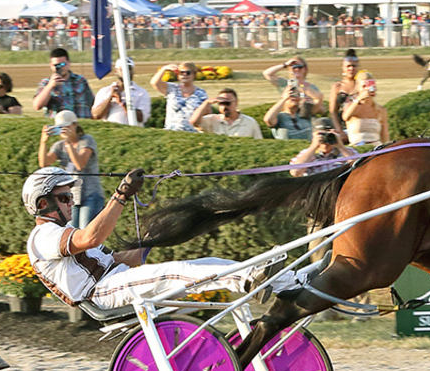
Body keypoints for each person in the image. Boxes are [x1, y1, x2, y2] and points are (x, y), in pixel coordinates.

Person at [24, 167, 317, 310]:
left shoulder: (61, 233)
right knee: (178, 272)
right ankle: (249, 279)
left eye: (70, 196)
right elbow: (91, 237)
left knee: (204, 262)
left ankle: (286, 281)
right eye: (64, 198)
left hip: (116, 280)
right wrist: (121, 195)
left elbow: (126, 258)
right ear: (42, 205)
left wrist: (153, 238)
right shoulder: (43, 236)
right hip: (100, 292)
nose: (70, 203)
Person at [37, 110, 104, 229]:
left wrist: (68, 143)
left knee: (85, 231)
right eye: (60, 127)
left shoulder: (87, 140)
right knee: (71, 231)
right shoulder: (59, 145)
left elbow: (80, 164)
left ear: (75, 125)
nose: (63, 130)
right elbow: (44, 163)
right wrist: (43, 142)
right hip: (72, 196)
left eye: (66, 126)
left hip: (91, 194)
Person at [32, 48, 94, 118]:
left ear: (69, 63)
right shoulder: (46, 83)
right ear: (51, 65)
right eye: (56, 65)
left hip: (79, 123)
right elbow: (37, 106)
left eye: (63, 64)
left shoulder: (80, 81)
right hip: (58, 124)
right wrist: (50, 86)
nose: (60, 68)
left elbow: (92, 103)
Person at [92, 58, 151, 127]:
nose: (127, 72)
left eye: (129, 69)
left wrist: (122, 103)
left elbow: (141, 118)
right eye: (122, 69)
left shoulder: (141, 93)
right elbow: (96, 115)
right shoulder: (105, 91)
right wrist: (110, 97)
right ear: (116, 71)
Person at [150, 61, 208, 132]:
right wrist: (164, 69)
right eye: (181, 73)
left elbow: (206, 113)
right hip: (172, 130)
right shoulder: (172, 88)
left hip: (192, 132)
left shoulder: (201, 93)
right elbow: (154, 83)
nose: (184, 75)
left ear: (194, 74)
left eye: (188, 73)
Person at [262, 56, 324, 120]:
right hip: (288, 118)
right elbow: (267, 73)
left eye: (300, 67)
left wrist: (311, 103)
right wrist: (285, 65)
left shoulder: (312, 88)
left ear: (305, 69)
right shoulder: (285, 84)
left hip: (307, 119)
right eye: (294, 67)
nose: (297, 69)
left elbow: (322, 110)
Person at [290, 118, 355, 178]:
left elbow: (359, 168)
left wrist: (341, 147)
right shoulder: (306, 154)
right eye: (322, 134)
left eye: (328, 133)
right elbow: (295, 172)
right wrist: (313, 146)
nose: (325, 137)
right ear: (313, 135)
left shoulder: (348, 152)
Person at [189, 88, 262, 139]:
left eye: (227, 103)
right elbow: (194, 122)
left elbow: (258, 142)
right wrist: (206, 103)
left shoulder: (249, 122)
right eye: (221, 103)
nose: (224, 107)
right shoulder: (212, 120)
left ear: (236, 102)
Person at [340, 71, 389, 147]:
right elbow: (345, 117)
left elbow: (385, 135)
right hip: (357, 148)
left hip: (375, 148)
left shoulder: (380, 110)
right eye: (363, 86)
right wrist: (359, 99)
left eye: (370, 86)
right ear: (357, 87)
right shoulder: (351, 106)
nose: (367, 89)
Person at [328, 49, 359, 141]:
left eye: (354, 66)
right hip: (343, 126)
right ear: (343, 67)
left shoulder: (361, 85)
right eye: (348, 66)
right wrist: (339, 130)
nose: (351, 69)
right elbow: (333, 111)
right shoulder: (337, 86)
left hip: (359, 125)